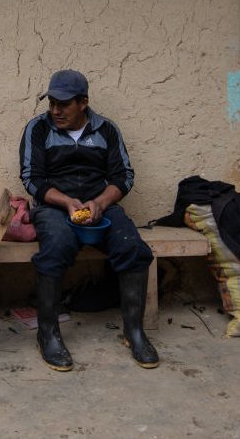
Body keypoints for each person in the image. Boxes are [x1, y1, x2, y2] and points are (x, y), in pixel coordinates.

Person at [18, 69, 159, 371]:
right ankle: (48, 335)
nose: (55, 110)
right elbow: (32, 179)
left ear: (83, 103)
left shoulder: (107, 130)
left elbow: (123, 177)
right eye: (52, 103)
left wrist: (100, 202)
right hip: (54, 206)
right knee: (56, 246)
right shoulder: (38, 129)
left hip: (100, 206)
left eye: (63, 104)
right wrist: (67, 201)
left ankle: (134, 332)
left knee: (132, 248)